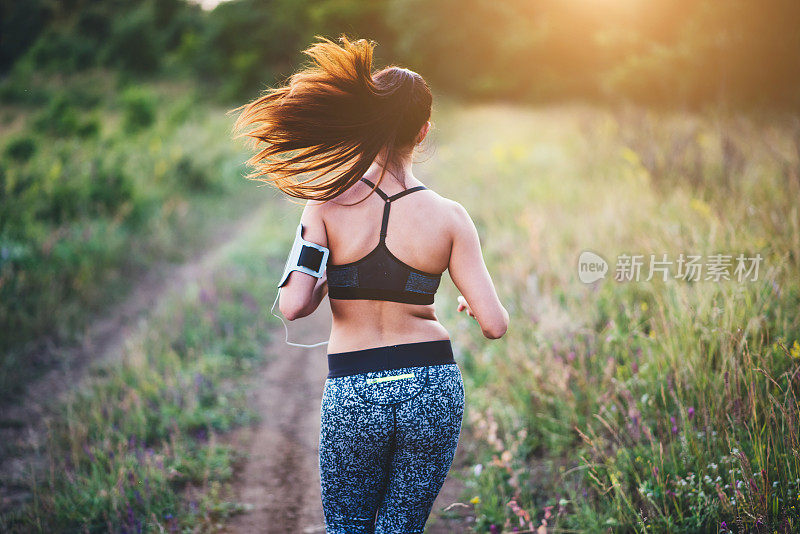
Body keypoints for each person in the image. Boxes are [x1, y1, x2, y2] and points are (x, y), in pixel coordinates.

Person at [231, 35, 508, 534]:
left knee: (348, 527)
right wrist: (467, 298)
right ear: (422, 132)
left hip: (355, 389)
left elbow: (292, 305)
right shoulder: (450, 217)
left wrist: (326, 273)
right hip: (431, 387)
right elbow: (494, 324)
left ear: (367, 122)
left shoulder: (325, 205)